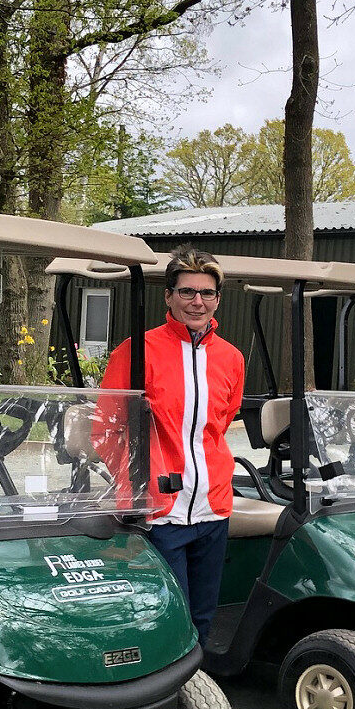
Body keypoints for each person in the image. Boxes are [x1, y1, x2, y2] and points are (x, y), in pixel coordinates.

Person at [101, 246, 244, 644]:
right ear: (168, 296)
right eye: (187, 292)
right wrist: (137, 484)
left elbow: (220, 423)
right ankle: (171, 693)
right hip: (160, 509)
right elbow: (107, 428)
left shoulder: (231, 358)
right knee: (170, 613)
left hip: (213, 506)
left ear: (217, 299)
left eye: (207, 293)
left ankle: (198, 691)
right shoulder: (137, 352)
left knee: (202, 614)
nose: (198, 302)